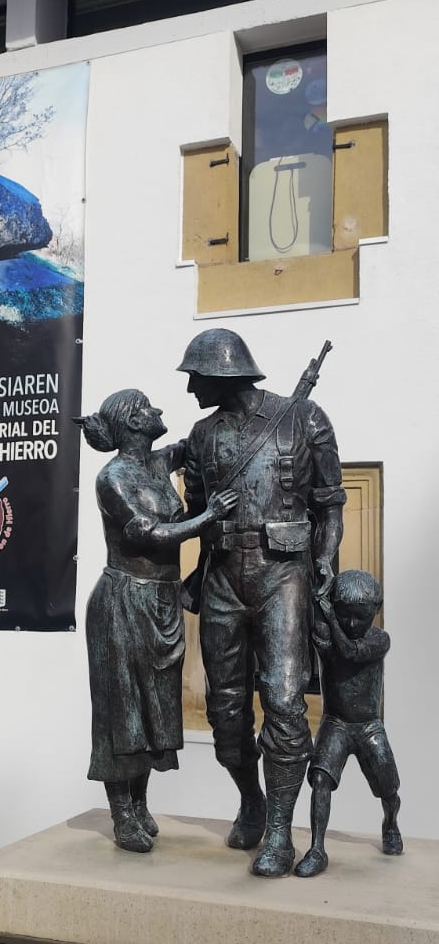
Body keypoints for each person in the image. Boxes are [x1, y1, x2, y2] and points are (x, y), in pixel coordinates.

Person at [178, 328, 345, 877]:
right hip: (224, 578)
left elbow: (330, 504)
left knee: (284, 701)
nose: (191, 390)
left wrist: (325, 561)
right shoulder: (202, 436)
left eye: (195, 378)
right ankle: (251, 800)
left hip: (284, 576)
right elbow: (196, 511)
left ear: (221, 374)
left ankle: (279, 828)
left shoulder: (306, 418)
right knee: (224, 713)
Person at [78, 389, 237, 852]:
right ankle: (121, 812)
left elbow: (192, 444)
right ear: (131, 422)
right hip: (123, 603)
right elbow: (146, 532)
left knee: (153, 712)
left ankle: (140, 802)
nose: (159, 411)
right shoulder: (113, 478)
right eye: (148, 407)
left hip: (162, 602)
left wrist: (233, 405)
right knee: (121, 712)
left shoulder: (157, 462)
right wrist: (208, 517)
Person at [295, 570, 402, 877]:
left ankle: (390, 822)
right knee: (320, 780)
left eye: (361, 617)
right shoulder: (328, 634)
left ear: (376, 610)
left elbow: (351, 653)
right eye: (345, 615)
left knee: (389, 789)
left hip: (369, 726)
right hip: (336, 723)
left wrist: (330, 614)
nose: (352, 624)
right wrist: (319, 599)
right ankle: (317, 848)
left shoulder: (379, 639)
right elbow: (316, 628)